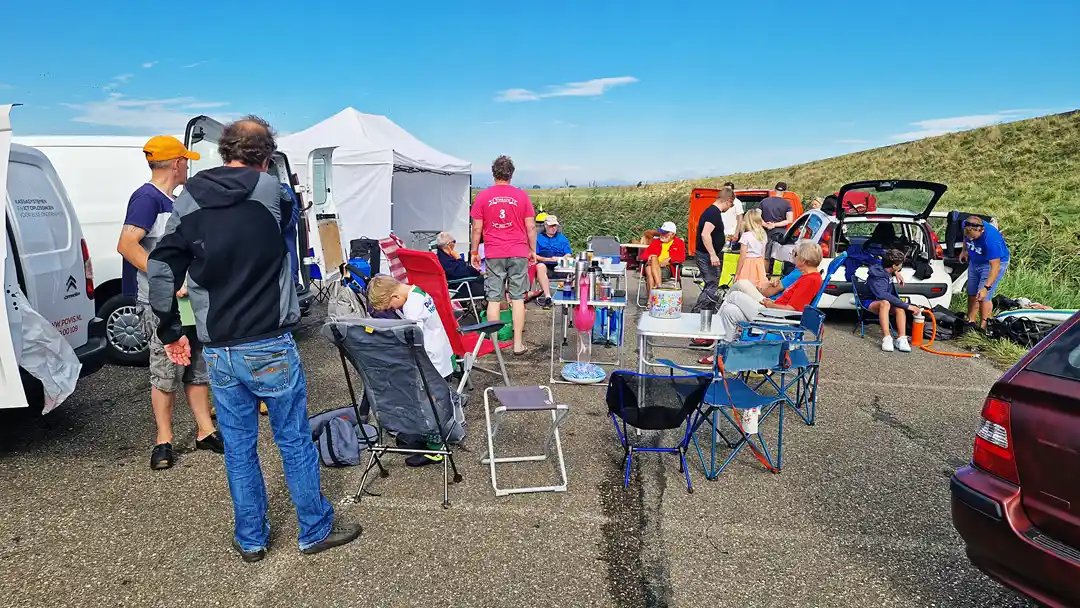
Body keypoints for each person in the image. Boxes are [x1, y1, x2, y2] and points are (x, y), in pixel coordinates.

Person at [147, 116, 360, 562]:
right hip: (269, 341)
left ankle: (251, 538)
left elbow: (162, 266)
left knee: (240, 446)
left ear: (224, 151)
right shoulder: (275, 195)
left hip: (219, 345)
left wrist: (170, 331)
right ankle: (313, 529)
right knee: (293, 438)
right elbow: (291, 246)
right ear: (266, 157)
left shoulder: (188, 200)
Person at [116, 135, 222, 471]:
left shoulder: (174, 200)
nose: (187, 166)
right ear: (176, 164)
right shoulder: (146, 198)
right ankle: (163, 439)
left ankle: (205, 431)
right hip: (160, 303)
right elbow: (127, 245)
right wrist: (167, 279)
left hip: (190, 303)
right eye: (185, 161)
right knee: (165, 371)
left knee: (196, 366)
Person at [366, 274, 457, 467]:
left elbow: (413, 335)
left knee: (431, 404)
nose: (393, 310)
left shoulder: (413, 307)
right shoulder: (416, 293)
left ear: (394, 297)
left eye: (391, 307)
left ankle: (435, 449)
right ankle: (425, 437)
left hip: (433, 362)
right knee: (426, 400)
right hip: (438, 355)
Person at [469, 156, 536, 355]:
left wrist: (474, 251)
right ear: (511, 174)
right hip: (518, 251)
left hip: (494, 252)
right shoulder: (522, 196)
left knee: (494, 299)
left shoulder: (483, 197)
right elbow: (531, 227)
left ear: (493, 173)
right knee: (517, 298)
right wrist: (532, 250)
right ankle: (517, 344)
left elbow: (476, 229)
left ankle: (495, 345)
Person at [716, 241, 824, 343]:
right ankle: (723, 348)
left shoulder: (810, 280)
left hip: (775, 317)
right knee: (729, 310)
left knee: (735, 295)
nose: (792, 256)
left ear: (803, 260)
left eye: (795, 254)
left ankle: (710, 329)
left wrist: (770, 305)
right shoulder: (808, 276)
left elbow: (792, 309)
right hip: (772, 313)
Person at [860, 249, 924, 353]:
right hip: (870, 301)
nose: (902, 265)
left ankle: (901, 339)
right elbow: (882, 295)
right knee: (885, 303)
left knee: (899, 307)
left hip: (885, 300)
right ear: (893, 265)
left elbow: (884, 262)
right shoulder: (877, 276)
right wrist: (908, 306)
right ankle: (887, 338)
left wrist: (896, 272)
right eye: (900, 264)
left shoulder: (886, 266)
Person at [960, 216, 1010, 330]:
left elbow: (995, 267)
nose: (971, 240)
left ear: (981, 230)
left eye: (974, 238)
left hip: (992, 264)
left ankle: (984, 326)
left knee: (983, 296)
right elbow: (965, 237)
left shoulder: (991, 239)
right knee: (972, 292)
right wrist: (964, 251)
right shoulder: (966, 224)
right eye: (970, 237)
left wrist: (986, 287)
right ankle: (971, 321)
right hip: (975, 261)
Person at [692, 186, 736, 312]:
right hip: (706, 255)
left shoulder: (712, 212)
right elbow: (705, 234)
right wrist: (712, 254)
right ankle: (698, 312)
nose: (730, 208)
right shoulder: (713, 213)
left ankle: (707, 312)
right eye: (731, 205)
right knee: (711, 284)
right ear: (728, 201)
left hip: (708, 254)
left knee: (712, 284)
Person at [534, 215, 573, 308]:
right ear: (545, 226)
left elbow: (569, 254)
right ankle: (548, 297)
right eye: (551, 226)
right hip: (546, 265)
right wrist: (547, 259)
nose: (553, 228)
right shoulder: (538, 238)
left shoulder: (562, 239)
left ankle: (574, 297)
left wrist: (561, 259)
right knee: (540, 267)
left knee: (578, 269)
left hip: (560, 265)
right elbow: (534, 255)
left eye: (555, 226)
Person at [435, 231, 485, 301]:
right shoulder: (447, 261)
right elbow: (462, 272)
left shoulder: (439, 257)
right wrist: (459, 259)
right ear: (450, 244)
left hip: (455, 286)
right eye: (454, 242)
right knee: (489, 285)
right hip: (460, 287)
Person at [759, 182, 795, 272]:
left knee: (766, 256)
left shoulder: (764, 201)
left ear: (774, 190)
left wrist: (765, 224)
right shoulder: (787, 204)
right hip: (780, 234)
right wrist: (775, 224)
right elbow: (790, 220)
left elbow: (757, 216)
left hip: (766, 233)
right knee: (779, 257)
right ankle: (776, 278)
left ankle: (764, 276)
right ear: (785, 191)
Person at [642, 221, 686, 293]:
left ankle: (651, 300)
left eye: (665, 233)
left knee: (649, 270)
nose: (661, 235)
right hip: (654, 265)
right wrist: (649, 258)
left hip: (667, 269)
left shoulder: (679, 243)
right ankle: (659, 288)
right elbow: (643, 255)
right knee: (652, 260)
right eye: (661, 232)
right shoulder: (656, 242)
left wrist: (669, 259)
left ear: (672, 234)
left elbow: (682, 257)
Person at [733, 209, 767, 288]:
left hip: (747, 264)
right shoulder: (763, 235)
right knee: (758, 287)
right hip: (759, 263)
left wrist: (737, 273)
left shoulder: (746, 236)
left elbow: (742, 257)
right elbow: (763, 255)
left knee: (745, 287)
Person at [721, 181, 744, 250]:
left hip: (731, 234)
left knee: (727, 255)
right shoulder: (721, 201)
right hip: (721, 233)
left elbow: (740, 219)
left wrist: (737, 233)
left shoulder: (737, 202)